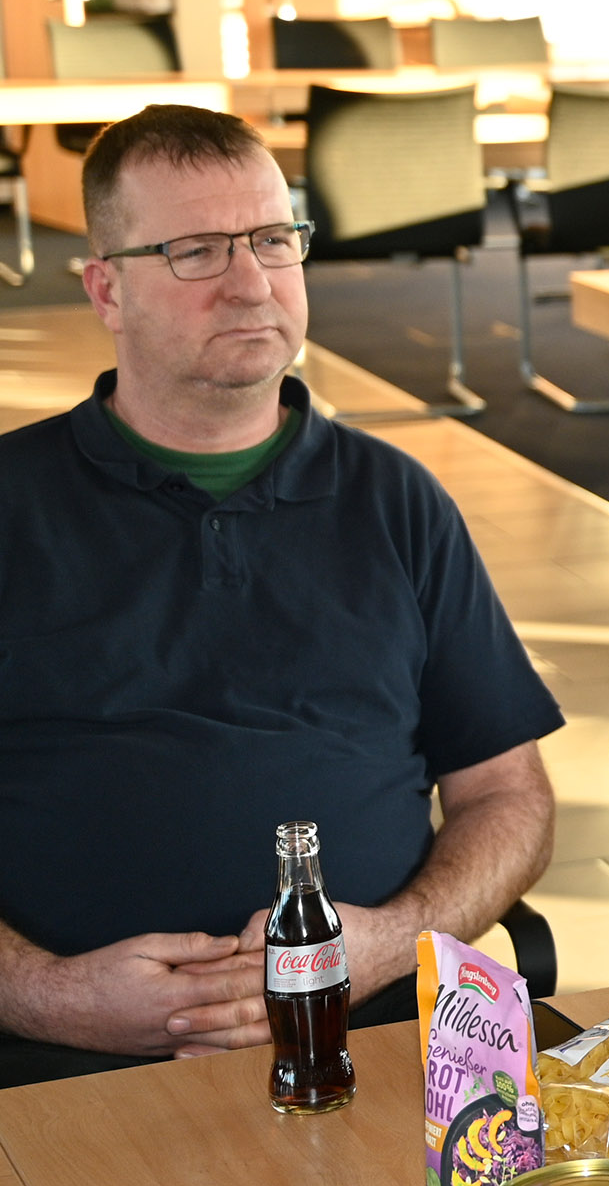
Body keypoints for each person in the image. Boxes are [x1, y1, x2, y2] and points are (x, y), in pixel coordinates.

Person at [0, 105, 561, 1085]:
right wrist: (47, 992)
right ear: (106, 289)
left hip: (370, 1038)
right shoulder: (13, 503)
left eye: (271, 239)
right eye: (195, 251)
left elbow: (507, 795)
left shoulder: (396, 500)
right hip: (54, 1067)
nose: (251, 282)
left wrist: (393, 941)